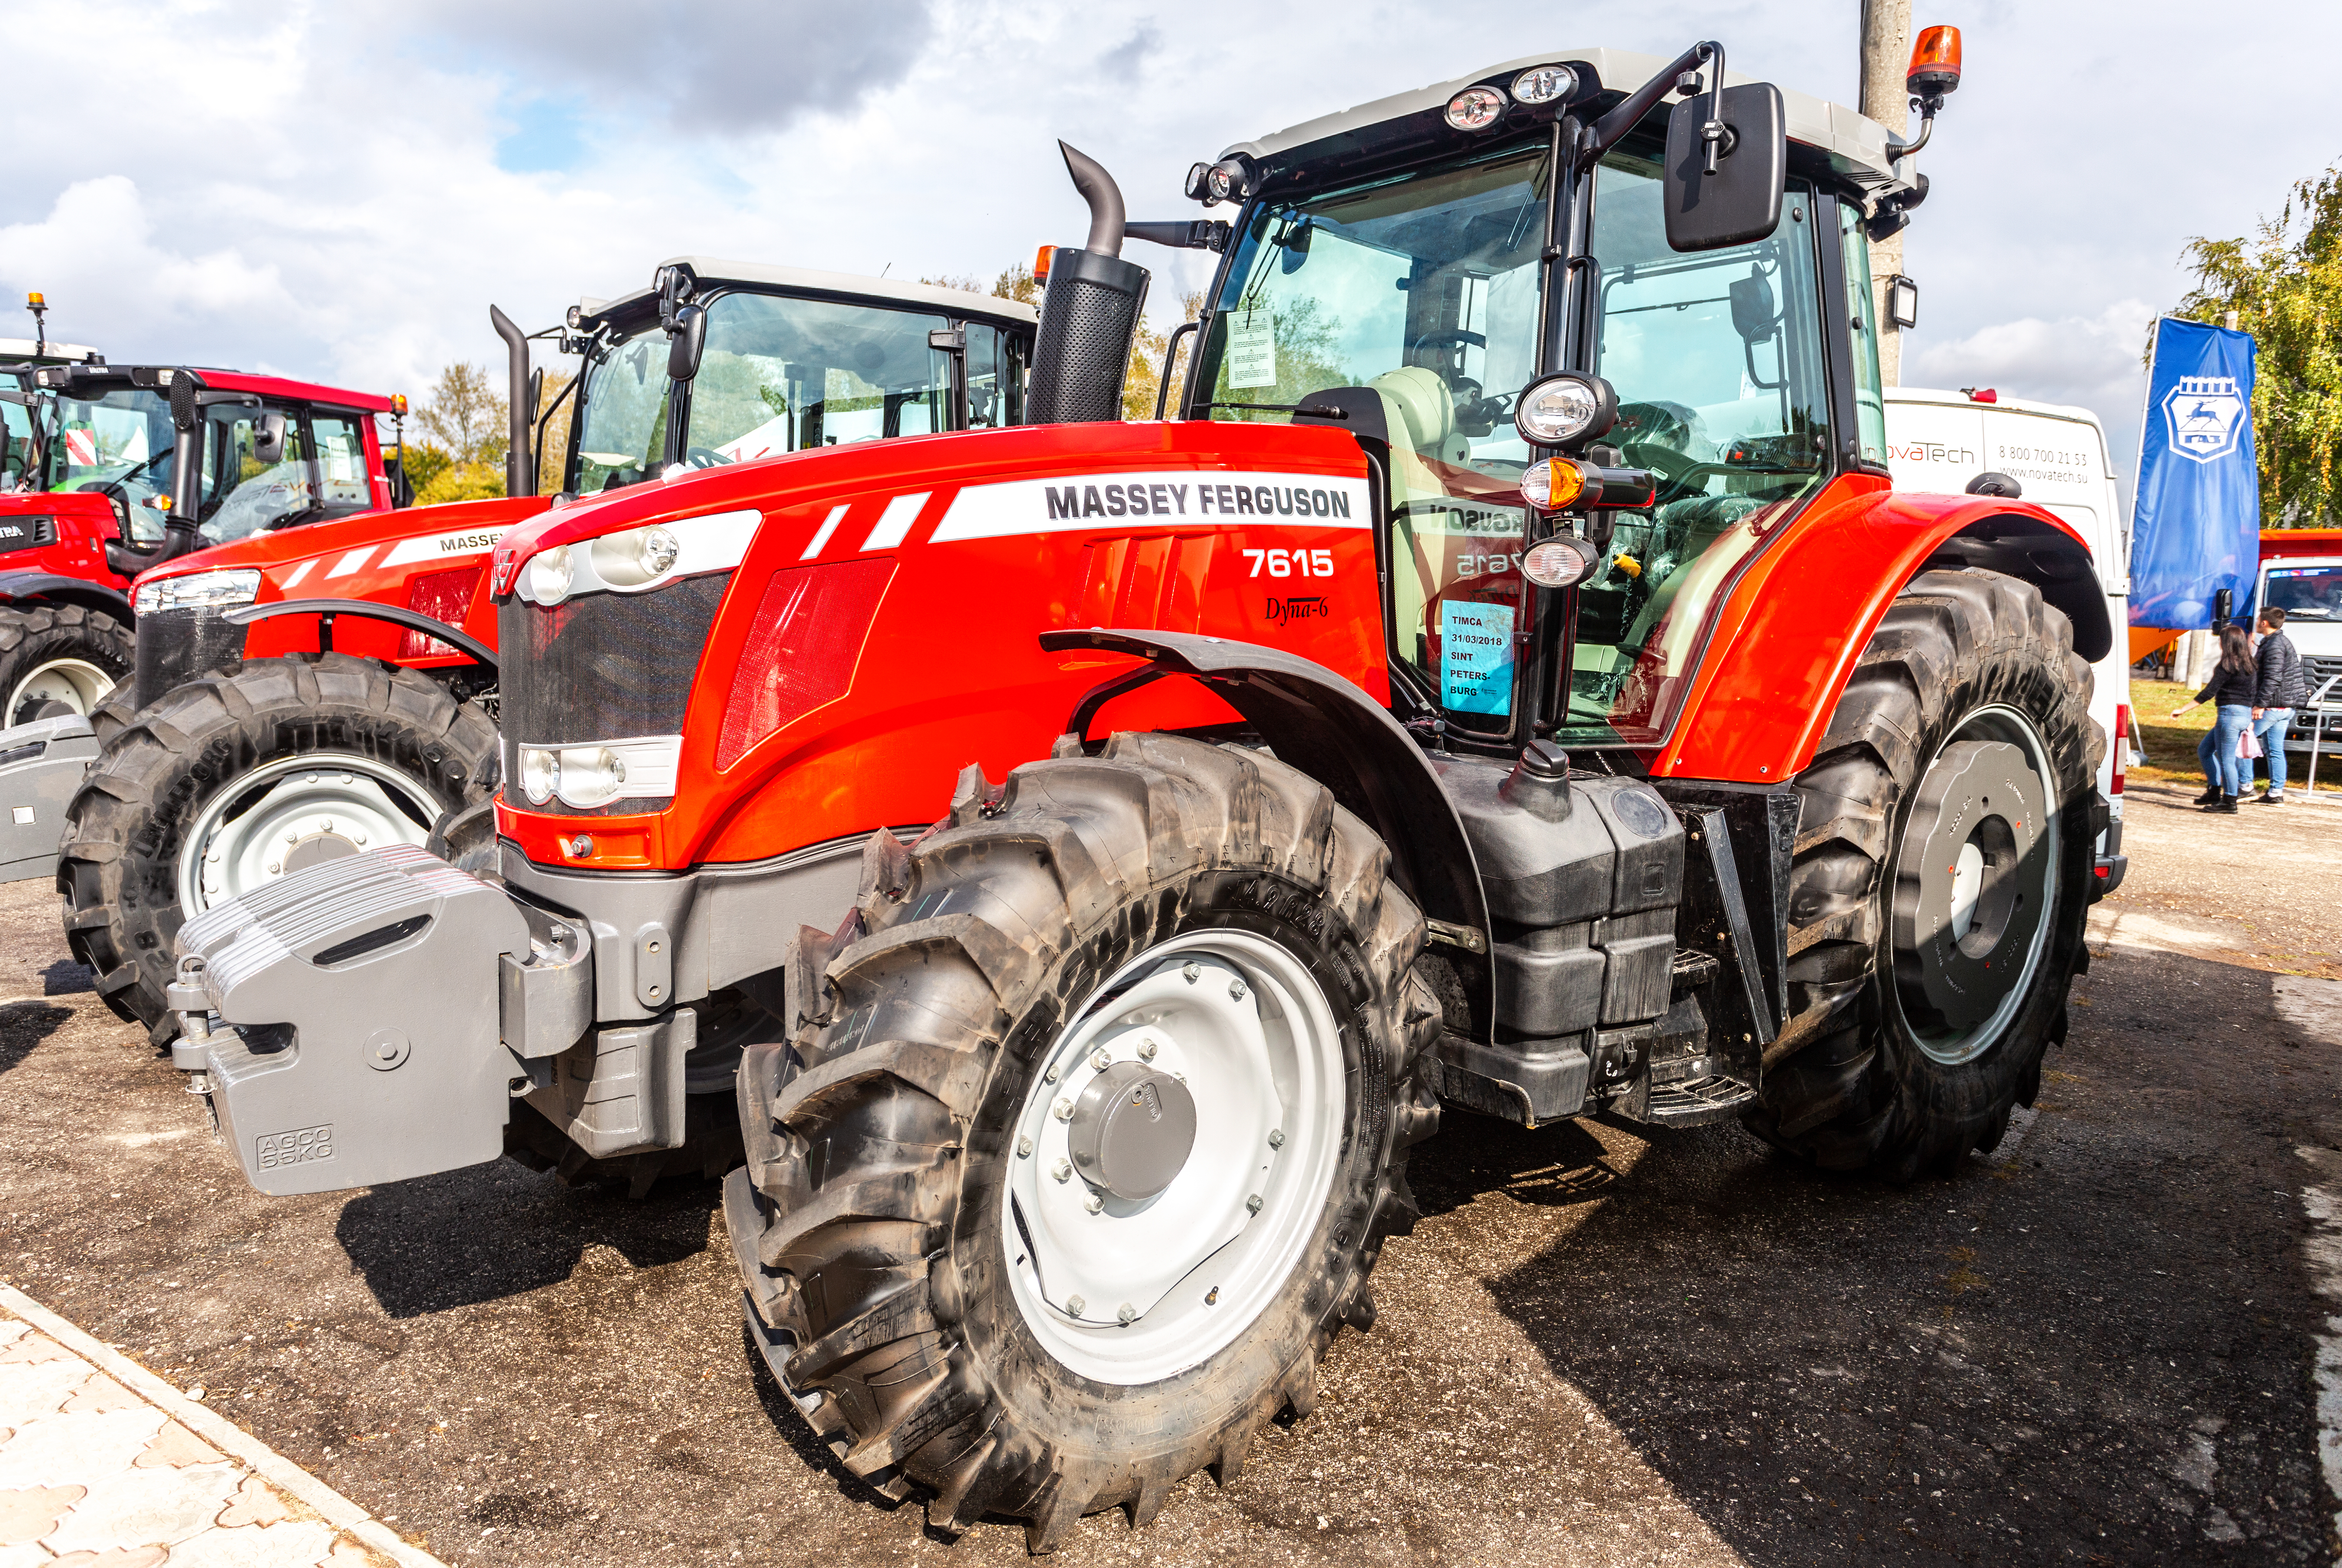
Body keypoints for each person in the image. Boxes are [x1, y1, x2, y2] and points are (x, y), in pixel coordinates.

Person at [2170, 623, 2258, 813]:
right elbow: (2253, 693)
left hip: (2230, 715)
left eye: (2221, 640)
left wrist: (2183, 709)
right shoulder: (2250, 664)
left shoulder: (2226, 665)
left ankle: (2230, 801)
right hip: (2242, 714)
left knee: (2226, 760)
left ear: (2227, 643)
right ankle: (2214, 791)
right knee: (2205, 750)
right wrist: (2249, 717)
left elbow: (2209, 692)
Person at [2250, 605, 2309, 801]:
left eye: (2259, 619)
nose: (2257, 622)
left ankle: (2245, 786)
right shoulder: (2277, 642)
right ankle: (2276, 794)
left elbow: (2272, 679)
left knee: (2242, 742)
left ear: (2264, 623)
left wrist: (2260, 704)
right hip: (2284, 707)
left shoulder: (2275, 645)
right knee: (2274, 750)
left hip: (2273, 707)